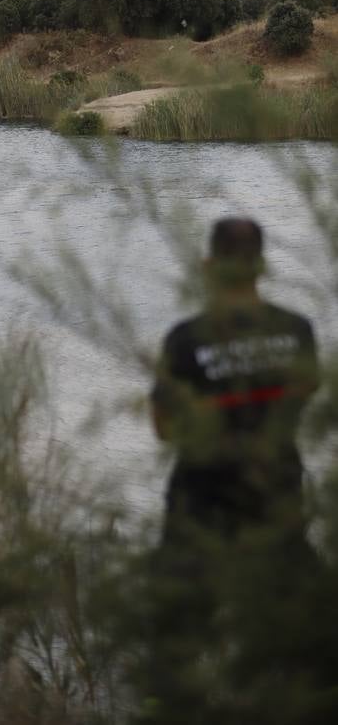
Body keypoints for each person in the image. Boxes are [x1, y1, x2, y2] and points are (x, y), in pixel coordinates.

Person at [151, 217, 319, 546]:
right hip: (276, 489)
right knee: (282, 592)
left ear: (210, 266)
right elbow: (302, 401)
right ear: (260, 266)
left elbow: (164, 428)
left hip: (200, 499)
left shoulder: (185, 339)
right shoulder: (297, 330)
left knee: (178, 594)